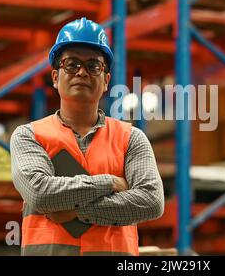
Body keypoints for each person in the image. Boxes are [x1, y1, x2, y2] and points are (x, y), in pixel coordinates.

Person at [11, 17, 165, 256]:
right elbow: (40, 194)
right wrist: (110, 183)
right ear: (55, 77)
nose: (82, 72)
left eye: (93, 66)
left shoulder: (131, 138)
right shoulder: (30, 136)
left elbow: (151, 202)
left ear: (106, 81)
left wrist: (76, 212)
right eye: (71, 64)